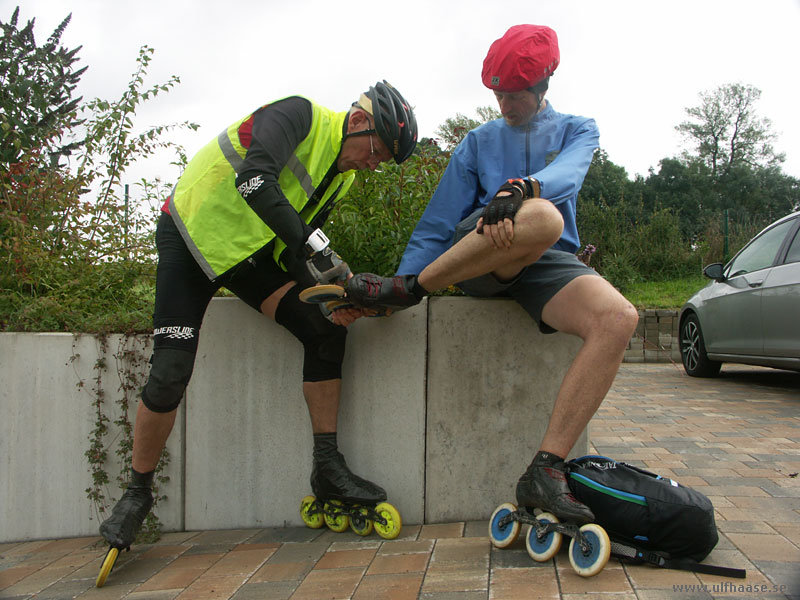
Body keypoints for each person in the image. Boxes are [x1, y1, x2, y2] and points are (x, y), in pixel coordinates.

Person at [98, 81, 418, 548]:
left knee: (325, 327)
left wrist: (334, 294)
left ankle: (327, 466)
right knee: (169, 372)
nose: (375, 165)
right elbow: (254, 181)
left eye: (383, 161)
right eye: (378, 151)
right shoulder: (298, 113)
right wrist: (327, 259)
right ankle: (136, 493)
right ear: (358, 121)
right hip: (191, 239)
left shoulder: (342, 177)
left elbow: (293, 247)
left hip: (246, 258)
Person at [345, 25, 638, 524]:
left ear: (543, 86)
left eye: (514, 94)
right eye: (497, 94)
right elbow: (438, 223)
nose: (504, 104)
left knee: (619, 318)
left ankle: (545, 470)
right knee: (544, 216)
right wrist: (403, 281)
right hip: (482, 252)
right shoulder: (478, 141)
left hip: (543, 261)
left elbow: (568, 174)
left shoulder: (578, 128)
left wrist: (527, 186)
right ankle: (409, 290)